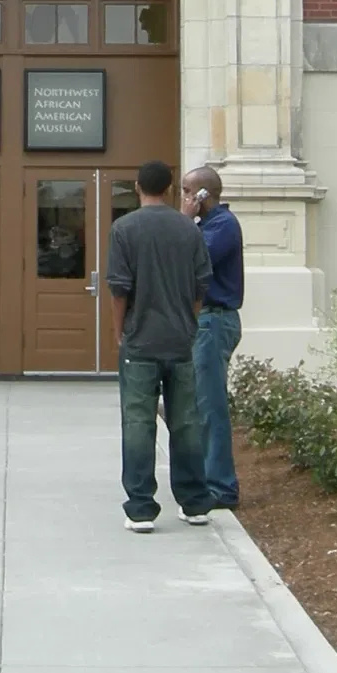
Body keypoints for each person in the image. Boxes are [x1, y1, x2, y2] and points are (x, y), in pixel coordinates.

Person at [107, 159, 213, 532]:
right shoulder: (189, 229)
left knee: (138, 423)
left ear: (137, 187)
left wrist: (119, 332)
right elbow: (201, 285)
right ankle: (195, 502)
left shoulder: (124, 229)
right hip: (180, 341)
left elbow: (119, 288)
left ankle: (141, 509)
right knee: (186, 422)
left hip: (140, 341)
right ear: (169, 189)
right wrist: (189, 322)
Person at [184, 165, 244, 511]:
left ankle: (221, 487)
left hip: (215, 320)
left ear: (202, 194)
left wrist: (183, 221)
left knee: (210, 406)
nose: (183, 197)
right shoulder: (204, 226)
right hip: (203, 322)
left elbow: (193, 263)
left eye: (187, 191)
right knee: (199, 405)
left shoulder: (222, 225)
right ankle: (206, 478)